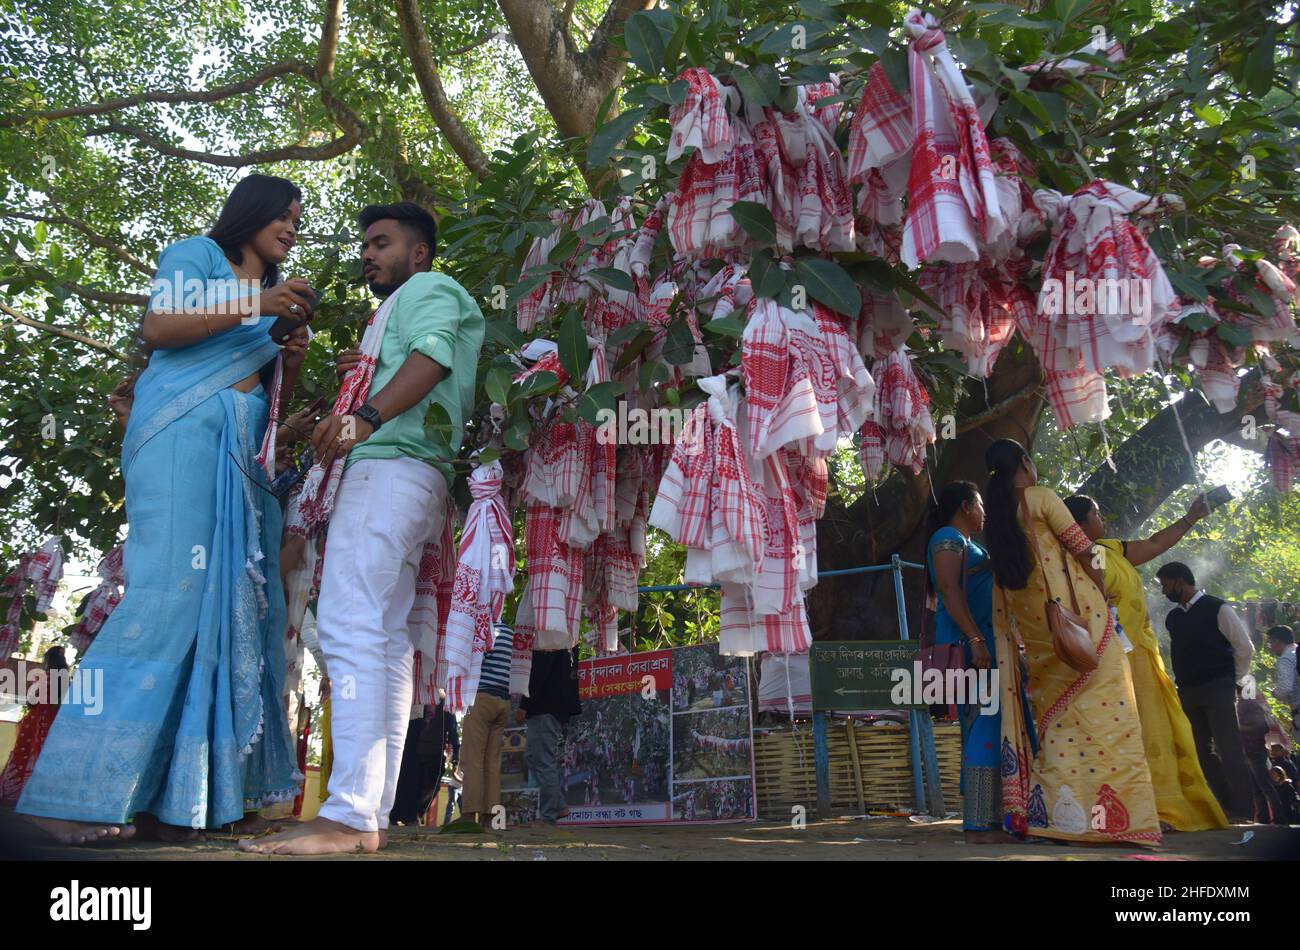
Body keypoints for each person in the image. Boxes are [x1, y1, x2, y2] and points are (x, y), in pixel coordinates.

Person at [19, 175, 313, 845]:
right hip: (178, 437)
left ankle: (179, 798)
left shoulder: (270, 303)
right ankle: (64, 795)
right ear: (254, 213)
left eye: (300, 220)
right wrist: (258, 302)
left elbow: (263, 398)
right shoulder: (199, 256)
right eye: (286, 216)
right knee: (167, 601)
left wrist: (287, 359)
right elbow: (160, 326)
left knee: (230, 614)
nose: (293, 228)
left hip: (237, 454)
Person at [243, 202, 484, 855]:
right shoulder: (396, 310)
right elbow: (422, 359)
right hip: (410, 478)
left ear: (420, 253)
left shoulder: (430, 289)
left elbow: (431, 358)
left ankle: (349, 813)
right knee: (382, 642)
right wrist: (367, 378)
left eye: (381, 243)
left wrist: (366, 416)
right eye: (365, 246)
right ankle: (365, 814)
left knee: (352, 628)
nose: (367, 255)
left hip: (388, 473)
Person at [982, 439, 1161, 845]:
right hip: (1082, 626)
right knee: (1113, 718)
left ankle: (1054, 820)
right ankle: (1118, 823)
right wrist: (1104, 591)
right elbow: (1085, 551)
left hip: (1041, 636)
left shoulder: (996, 517)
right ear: (1025, 464)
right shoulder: (1041, 498)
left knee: (1059, 723)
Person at [1063, 494, 1227, 832]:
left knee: (1156, 730)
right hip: (1107, 661)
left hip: (1140, 655)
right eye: (1095, 513)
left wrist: (1190, 517)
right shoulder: (1071, 562)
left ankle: (1164, 809)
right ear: (1079, 524)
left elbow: (1154, 543)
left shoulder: (1113, 550)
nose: (1102, 517)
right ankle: (1129, 811)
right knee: (1118, 732)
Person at [925, 480, 1036, 842]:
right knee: (985, 725)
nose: (984, 513)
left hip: (986, 644)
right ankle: (977, 824)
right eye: (980, 505)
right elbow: (948, 589)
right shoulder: (947, 537)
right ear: (965, 507)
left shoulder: (969, 545)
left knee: (993, 724)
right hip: (969, 647)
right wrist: (975, 639)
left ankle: (1003, 815)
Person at [1154, 561, 1256, 822]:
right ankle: (1223, 807)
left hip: (1218, 687)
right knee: (1200, 751)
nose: (1164, 591)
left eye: (1166, 585)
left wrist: (1234, 680)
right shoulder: (1173, 618)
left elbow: (1244, 647)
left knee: (1229, 747)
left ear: (1180, 580)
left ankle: (1244, 810)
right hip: (1187, 690)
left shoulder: (1217, 608)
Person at [458, 622, 515, 827]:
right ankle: (491, 818)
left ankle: (469, 814)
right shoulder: (510, 632)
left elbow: (475, 662)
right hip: (503, 700)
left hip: (481, 697)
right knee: (493, 761)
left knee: (472, 759)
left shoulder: (486, 629)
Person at [519, 646, 582, 823]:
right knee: (532, 757)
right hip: (554, 705)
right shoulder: (567, 633)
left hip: (546, 706)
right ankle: (559, 805)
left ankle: (548, 815)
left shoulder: (549, 633)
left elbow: (539, 670)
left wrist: (525, 704)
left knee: (543, 760)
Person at [0, 647, 69, 806]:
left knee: (23, 754)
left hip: (35, 722)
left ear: (48, 661)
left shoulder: (43, 678)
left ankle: (15, 791)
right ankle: (39, 795)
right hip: (55, 724)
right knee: (45, 756)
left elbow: (31, 701)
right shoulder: (66, 681)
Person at [1266, 625, 1299, 744]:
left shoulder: (1285, 659)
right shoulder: (1297, 651)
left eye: (1270, 643)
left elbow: (1285, 688)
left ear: (1278, 641)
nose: (1270, 648)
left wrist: (1274, 693)